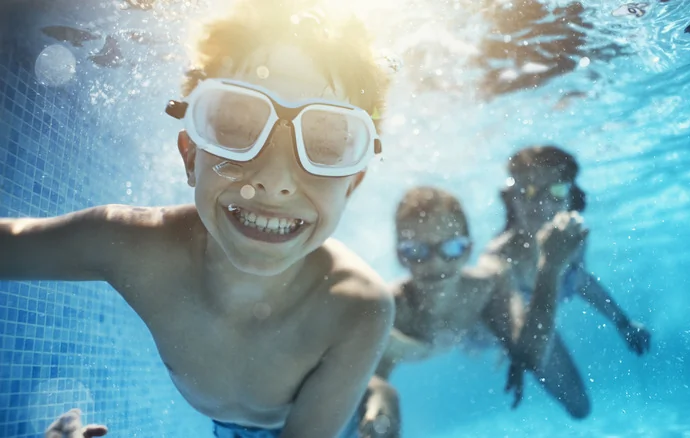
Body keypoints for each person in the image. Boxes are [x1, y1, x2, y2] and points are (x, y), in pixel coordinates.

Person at [1, 2, 395, 437]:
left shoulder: (357, 308)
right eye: (237, 127)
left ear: (352, 185)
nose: (273, 180)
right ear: (191, 155)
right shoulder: (136, 248)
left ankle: (376, 392)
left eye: (324, 145)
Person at [359, 186, 588, 437]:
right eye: (416, 250)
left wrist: (551, 267)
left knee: (580, 406)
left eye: (451, 248)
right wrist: (382, 403)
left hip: (485, 331)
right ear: (400, 256)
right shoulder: (389, 312)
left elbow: (532, 357)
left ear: (469, 249)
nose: (435, 264)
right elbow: (370, 380)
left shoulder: (487, 284)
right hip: (461, 336)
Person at [485, 145, 652, 419]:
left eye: (556, 191)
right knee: (579, 407)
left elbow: (579, 280)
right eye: (528, 190)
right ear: (512, 198)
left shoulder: (572, 235)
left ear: (570, 196)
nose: (542, 203)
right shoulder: (501, 257)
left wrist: (623, 323)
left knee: (580, 408)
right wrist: (515, 353)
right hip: (515, 329)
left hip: (536, 323)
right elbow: (505, 322)